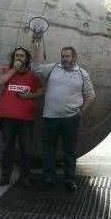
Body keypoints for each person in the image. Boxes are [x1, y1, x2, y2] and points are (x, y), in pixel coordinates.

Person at [31, 41, 95, 191]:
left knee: (70, 151)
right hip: (50, 118)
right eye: (63, 56)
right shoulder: (53, 68)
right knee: (48, 150)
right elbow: (36, 68)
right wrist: (37, 50)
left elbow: (90, 95)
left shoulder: (81, 73)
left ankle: (69, 180)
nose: (64, 59)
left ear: (74, 58)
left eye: (67, 56)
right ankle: (48, 178)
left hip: (71, 119)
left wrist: (82, 111)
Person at [0, 47, 44, 187]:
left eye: (22, 56)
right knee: (7, 149)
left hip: (26, 118)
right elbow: (0, 82)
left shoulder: (32, 75)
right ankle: (5, 177)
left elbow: (41, 91)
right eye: (17, 55)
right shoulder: (7, 70)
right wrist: (14, 70)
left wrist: (30, 96)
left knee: (26, 150)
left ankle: (25, 178)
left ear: (26, 59)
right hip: (8, 118)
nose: (19, 58)